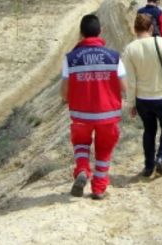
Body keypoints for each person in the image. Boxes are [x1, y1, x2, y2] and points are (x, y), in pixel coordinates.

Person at [61, 14, 127, 200]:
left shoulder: (71, 58)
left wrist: (68, 98)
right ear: (100, 32)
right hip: (108, 114)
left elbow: (64, 91)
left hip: (81, 115)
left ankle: (82, 169)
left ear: (81, 34)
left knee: (81, 143)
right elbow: (123, 87)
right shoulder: (114, 57)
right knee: (104, 149)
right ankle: (98, 189)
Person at [123, 13, 162, 177]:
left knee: (149, 131)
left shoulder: (129, 49)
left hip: (143, 99)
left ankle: (148, 166)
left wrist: (131, 103)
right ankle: (161, 158)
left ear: (135, 29)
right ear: (150, 27)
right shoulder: (160, 42)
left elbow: (131, 80)